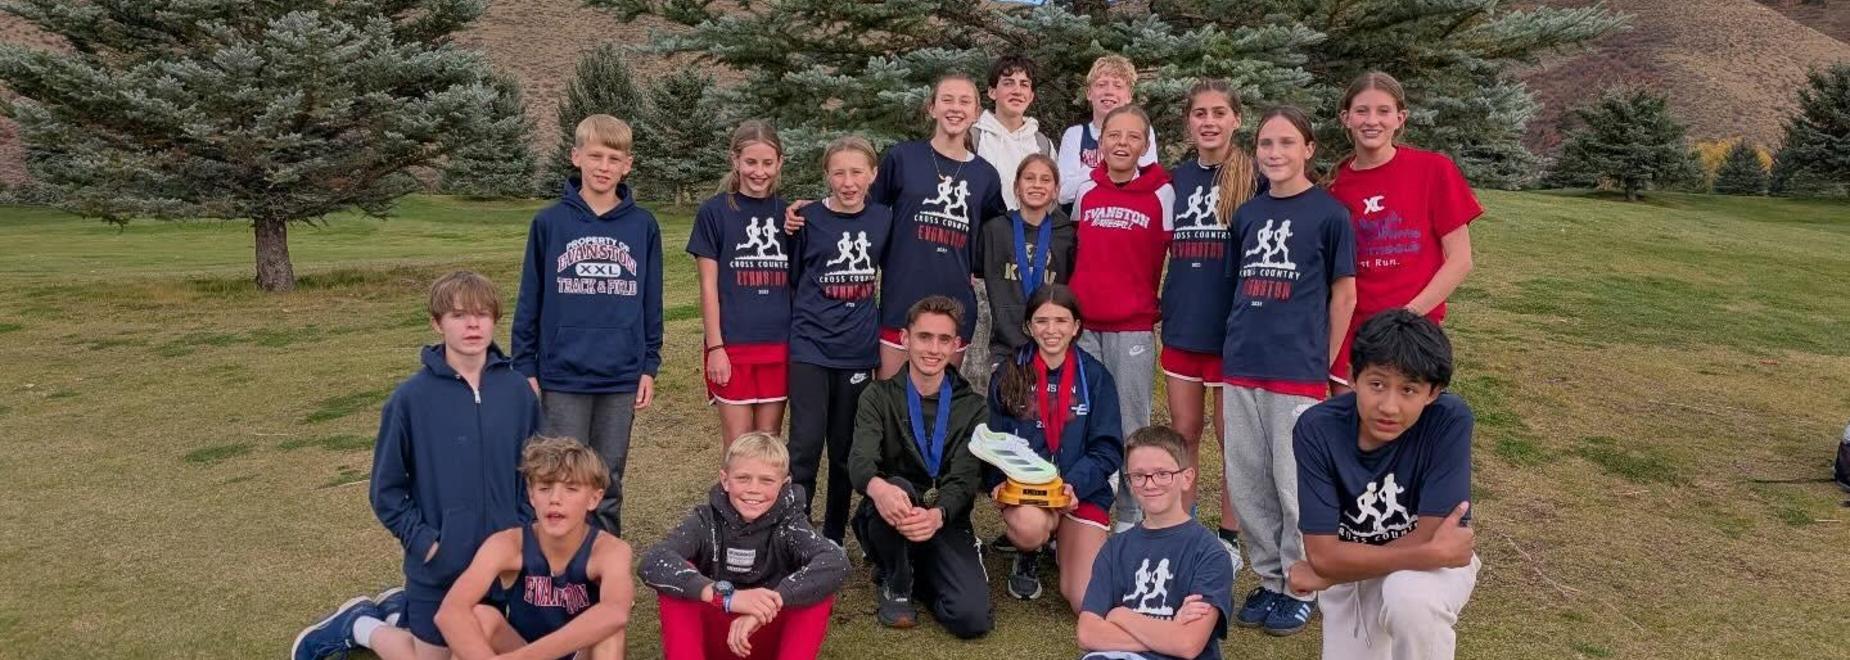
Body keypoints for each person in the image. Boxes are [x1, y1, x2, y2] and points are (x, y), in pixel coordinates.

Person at [292, 272, 542, 660]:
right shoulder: (410, 399)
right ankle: (361, 625)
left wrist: (520, 531)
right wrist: (427, 544)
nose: (472, 324)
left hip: (498, 568)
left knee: (480, 645)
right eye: (458, 315)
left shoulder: (518, 394)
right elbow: (386, 490)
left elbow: (537, 473)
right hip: (437, 569)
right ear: (437, 323)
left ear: (495, 319)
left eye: (482, 314)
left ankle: (395, 610)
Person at [1219, 106, 1357, 637]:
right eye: (1266, 144)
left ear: (1308, 149)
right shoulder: (1249, 214)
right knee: (1249, 478)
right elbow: (1239, 285)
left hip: (1297, 369)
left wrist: (1325, 362)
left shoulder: (1329, 214)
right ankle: (1269, 578)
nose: (1274, 153)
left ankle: (1303, 583)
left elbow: (1343, 293)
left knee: (1293, 481)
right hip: (1243, 362)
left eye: (1285, 143)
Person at [1288, 310, 1479, 660]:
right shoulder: (1317, 429)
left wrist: (1329, 572)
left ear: (1433, 392)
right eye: (1377, 384)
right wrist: (1331, 570)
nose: (1389, 406)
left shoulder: (1449, 420)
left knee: (1411, 599)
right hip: (1359, 569)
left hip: (1427, 568)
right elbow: (1322, 554)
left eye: (1409, 389)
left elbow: (1435, 537)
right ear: (1352, 377)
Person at [512, 114, 664, 536]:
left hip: (620, 374)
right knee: (561, 475)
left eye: (613, 158)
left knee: (607, 476)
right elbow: (530, 300)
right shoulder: (549, 223)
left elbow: (651, 302)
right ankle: (557, 571)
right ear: (576, 156)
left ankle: (601, 567)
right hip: (563, 374)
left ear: (627, 165)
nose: (603, 166)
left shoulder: (642, 225)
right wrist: (525, 366)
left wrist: (649, 364)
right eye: (595, 155)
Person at [1326, 72, 1482, 392]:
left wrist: (1406, 316)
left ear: (1400, 118)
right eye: (1362, 111)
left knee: (1403, 432)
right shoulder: (1334, 186)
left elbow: (1460, 259)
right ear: (1346, 118)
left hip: (1412, 331)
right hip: (1352, 335)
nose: (1372, 120)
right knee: (1350, 433)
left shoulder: (1433, 170)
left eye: (1383, 111)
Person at [849, 296, 992, 638]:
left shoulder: (972, 407)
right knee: (896, 485)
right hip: (888, 513)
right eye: (924, 337)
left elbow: (965, 478)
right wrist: (879, 488)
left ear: (957, 345)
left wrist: (938, 515)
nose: (933, 348)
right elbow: (859, 461)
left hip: (943, 517)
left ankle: (917, 569)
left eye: (944, 340)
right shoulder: (877, 396)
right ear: (905, 339)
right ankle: (896, 581)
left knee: (971, 619)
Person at [1159, 79, 1259, 558]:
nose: (1209, 121)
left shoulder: (1253, 177)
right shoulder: (1177, 179)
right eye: (1200, 113)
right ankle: (1184, 523)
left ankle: (1231, 536)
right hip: (1184, 320)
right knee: (1184, 431)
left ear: (1235, 119)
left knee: (1231, 438)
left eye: (1219, 112)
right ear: (1189, 121)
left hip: (1233, 329)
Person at [640, 432, 850, 660]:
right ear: (725, 480)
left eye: (767, 480)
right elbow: (654, 560)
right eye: (743, 478)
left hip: (767, 632)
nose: (754, 489)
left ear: (784, 484)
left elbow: (836, 562)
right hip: (715, 633)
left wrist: (770, 603)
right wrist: (727, 598)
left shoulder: (791, 524)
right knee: (676, 580)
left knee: (817, 588)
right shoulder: (705, 521)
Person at [1067, 104, 1174, 531]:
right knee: (1081, 418)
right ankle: (1080, 507)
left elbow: (1178, 257)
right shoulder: (1086, 193)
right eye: (1114, 135)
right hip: (1085, 329)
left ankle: (1131, 516)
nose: (1122, 143)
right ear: (1100, 144)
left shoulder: (1161, 193)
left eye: (1133, 136)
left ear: (1146, 145)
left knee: (1132, 422)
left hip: (1132, 328)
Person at [433, 437, 633, 660]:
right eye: (545, 488)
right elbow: (450, 611)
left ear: (594, 499)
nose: (555, 499)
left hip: (573, 654)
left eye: (571, 489)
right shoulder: (507, 544)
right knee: (480, 617)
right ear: (531, 495)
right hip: (519, 645)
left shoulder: (610, 550)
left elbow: (616, 613)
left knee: (609, 633)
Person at [786, 136, 894, 545]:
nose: (848, 182)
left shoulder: (883, 218)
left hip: (857, 349)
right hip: (811, 347)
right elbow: (795, 277)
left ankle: (832, 537)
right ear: (826, 175)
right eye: (839, 173)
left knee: (846, 450)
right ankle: (795, 530)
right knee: (806, 445)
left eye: (856, 172)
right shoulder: (806, 218)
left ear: (873, 175)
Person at [984, 284, 1121, 608]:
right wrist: (996, 482)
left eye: (1061, 320)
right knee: (1030, 528)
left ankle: (1064, 542)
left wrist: (1074, 485)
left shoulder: (1095, 376)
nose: (1051, 330)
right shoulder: (1008, 373)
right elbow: (992, 438)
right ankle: (1029, 550)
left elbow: (1108, 447)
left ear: (1076, 327)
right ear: (1029, 326)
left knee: (1084, 600)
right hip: (1028, 493)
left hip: (1078, 493)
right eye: (1042, 321)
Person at [1074, 426, 1233, 660]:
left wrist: (1121, 616)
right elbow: (1088, 633)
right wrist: (1169, 632)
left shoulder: (1209, 553)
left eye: (1162, 474)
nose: (1150, 485)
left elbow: (1187, 644)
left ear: (1186, 478)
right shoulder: (1115, 548)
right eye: (1138, 476)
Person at [689, 121, 792, 448]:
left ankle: (770, 501)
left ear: (779, 163)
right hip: (733, 346)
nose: (759, 172)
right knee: (738, 445)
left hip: (779, 344)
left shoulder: (788, 214)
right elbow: (708, 287)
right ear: (735, 160)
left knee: (768, 443)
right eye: (750, 162)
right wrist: (716, 348)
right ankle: (729, 501)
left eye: (767, 163)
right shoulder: (714, 213)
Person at [978, 154, 1075, 371]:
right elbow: (974, 271)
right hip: (1005, 346)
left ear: (1056, 191)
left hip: (1051, 344)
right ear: (1016, 187)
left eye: (1045, 179)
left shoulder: (1066, 236)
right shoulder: (994, 230)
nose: (1037, 185)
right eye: (1029, 178)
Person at [1057, 55, 1159, 206]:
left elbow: (1147, 184)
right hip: (1081, 225)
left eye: (1118, 86)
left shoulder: (1143, 131)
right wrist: (1115, 170)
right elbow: (1063, 194)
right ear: (1089, 93)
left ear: (1129, 96)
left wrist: (1087, 173)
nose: (1109, 91)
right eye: (1101, 84)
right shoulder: (1075, 135)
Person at [971, 54, 1058, 210]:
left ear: (1031, 96)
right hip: (983, 231)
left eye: (1024, 84)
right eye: (1008, 83)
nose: (1017, 91)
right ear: (992, 92)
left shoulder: (1042, 144)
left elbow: (1052, 199)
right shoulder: (973, 138)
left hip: (1028, 232)